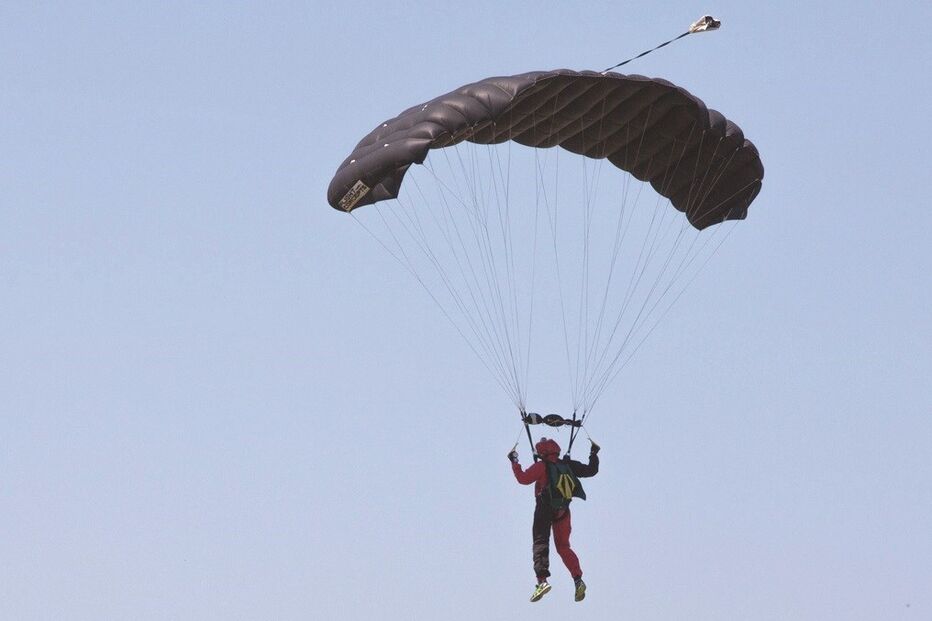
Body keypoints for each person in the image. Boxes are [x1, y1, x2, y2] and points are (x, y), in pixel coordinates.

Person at [508, 437, 600, 602]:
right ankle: (578, 580)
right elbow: (591, 470)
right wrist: (593, 453)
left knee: (540, 543)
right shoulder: (567, 465)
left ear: (541, 452)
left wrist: (514, 461)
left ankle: (542, 581)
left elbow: (523, 478)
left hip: (544, 510)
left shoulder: (541, 466)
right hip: (563, 511)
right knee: (564, 547)